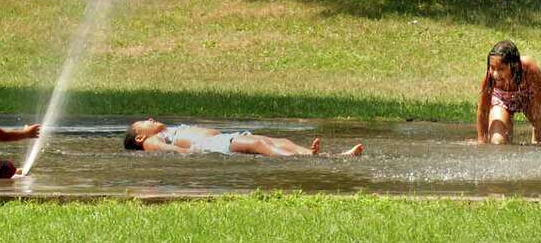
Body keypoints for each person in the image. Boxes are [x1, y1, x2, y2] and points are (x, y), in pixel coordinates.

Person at [123, 118, 363, 157]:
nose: (150, 118)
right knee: (260, 144)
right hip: (211, 145)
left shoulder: (164, 130)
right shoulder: (153, 140)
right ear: (140, 137)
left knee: (277, 141)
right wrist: (187, 153)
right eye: (145, 122)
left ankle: (309, 154)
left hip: (225, 137)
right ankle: (307, 158)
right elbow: (162, 150)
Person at [476, 40, 541, 145]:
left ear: (515, 66)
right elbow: (483, 110)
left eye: (501, 69)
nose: (495, 74)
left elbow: (540, 107)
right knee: (498, 142)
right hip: (502, 101)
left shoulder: (530, 70)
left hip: (528, 99)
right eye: (492, 68)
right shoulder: (489, 79)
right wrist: (482, 141)